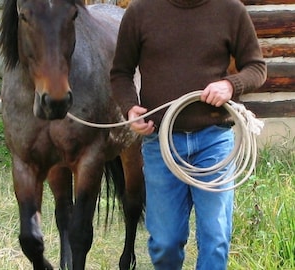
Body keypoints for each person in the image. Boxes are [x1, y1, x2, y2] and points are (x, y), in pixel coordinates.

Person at [110, 0, 267, 269]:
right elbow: (120, 74)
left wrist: (231, 85)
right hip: (161, 143)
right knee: (165, 243)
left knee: (215, 239)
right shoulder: (140, 12)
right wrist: (130, 109)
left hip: (214, 140)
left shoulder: (230, 9)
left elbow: (256, 68)